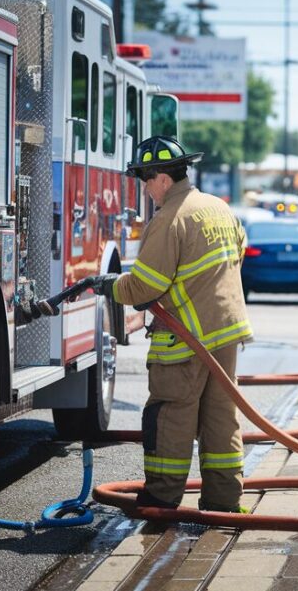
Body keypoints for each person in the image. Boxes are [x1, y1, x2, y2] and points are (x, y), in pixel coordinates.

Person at [85, 136, 253, 512]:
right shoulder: (218, 207)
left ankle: (161, 498)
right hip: (225, 333)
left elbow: (146, 285)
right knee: (220, 418)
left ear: (162, 178)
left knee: (171, 415)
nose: (144, 188)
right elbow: (238, 251)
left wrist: (113, 286)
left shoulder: (168, 218)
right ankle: (224, 501)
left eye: (145, 179)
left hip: (186, 340)